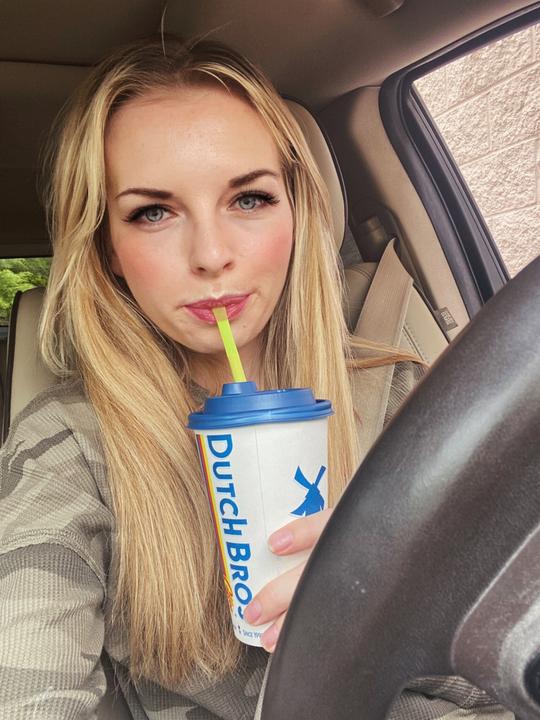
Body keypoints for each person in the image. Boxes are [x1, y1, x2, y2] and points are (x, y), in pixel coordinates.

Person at [0, 35, 507, 720]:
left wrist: (403, 599)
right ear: (108, 250)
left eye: (249, 199)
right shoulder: (71, 447)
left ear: (296, 211)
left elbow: (513, 661)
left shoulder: (403, 391)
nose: (212, 255)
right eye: (153, 212)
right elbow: (26, 687)